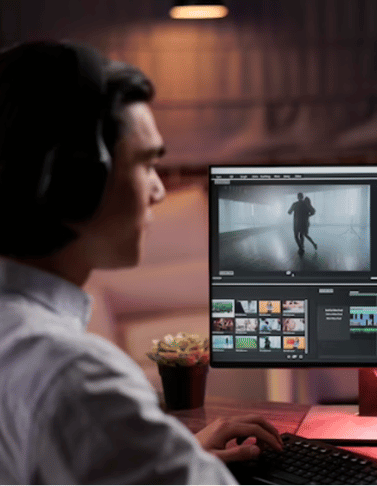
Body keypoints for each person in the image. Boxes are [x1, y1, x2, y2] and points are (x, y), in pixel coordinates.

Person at [0, 41, 282, 484]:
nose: (159, 191)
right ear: (79, 180)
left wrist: (171, 453)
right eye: (146, 164)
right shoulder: (80, 379)